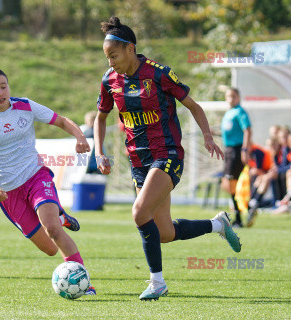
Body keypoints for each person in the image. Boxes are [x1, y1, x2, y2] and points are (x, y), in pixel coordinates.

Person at [93, 16, 241, 301]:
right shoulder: (109, 81)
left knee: (138, 213)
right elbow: (101, 118)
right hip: (138, 161)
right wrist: (100, 152)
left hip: (168, 154)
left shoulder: (159, 74)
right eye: (106, 57)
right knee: (164, 233)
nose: (110, 62)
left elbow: (194, 106)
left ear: (130, 49)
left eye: (114, 55)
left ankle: (157, 282)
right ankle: (218, 225)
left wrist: (208, 136)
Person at [0, 67, 96, 295]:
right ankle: (61, 215)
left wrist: (80, 137)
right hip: (7, 192)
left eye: (3, 86)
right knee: (49, 249)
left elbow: (62, 121)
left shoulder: (24, 106)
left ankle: (85, 284)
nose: (0, 92)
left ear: (9, 86)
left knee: (53, 230)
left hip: (35, 176)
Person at [219, 88, 252, 227]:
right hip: (229, 150)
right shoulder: (229, 113)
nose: (231, 99)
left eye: (233, 96)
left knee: (231, 183)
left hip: (237, 150)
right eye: (228, 96)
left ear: (238, 97)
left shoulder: (240, 112)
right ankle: (246, 210)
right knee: (229, 184)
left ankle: (241, 215)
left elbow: (247, 130)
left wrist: (245, 149)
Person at [245, 140, 275, 227]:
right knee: (259, 178)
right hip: (262, 174)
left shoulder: (258, 152)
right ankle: (253, 202)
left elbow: (261, 169)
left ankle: (253, 201)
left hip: (266, 173)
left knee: (262, 178)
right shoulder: (250, 152)